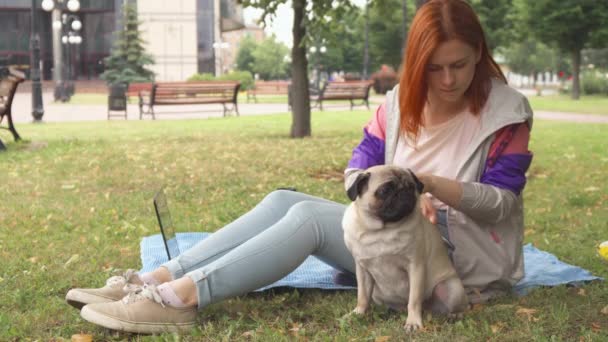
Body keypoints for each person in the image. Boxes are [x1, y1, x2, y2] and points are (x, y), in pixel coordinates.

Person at [66, 0, 533, 334]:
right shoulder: (397, 104)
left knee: (307, 219)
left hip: (450, 260)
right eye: (434, 68)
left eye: (461, 65)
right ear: (416, 65)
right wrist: (388, 192)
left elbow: (501, 204)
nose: (448, 80)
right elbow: (356, 170)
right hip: (389, 231)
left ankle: (181, 299)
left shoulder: (505, 113)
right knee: (282, 201)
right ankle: (157, 279)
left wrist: (430, 187)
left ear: (480, 55)